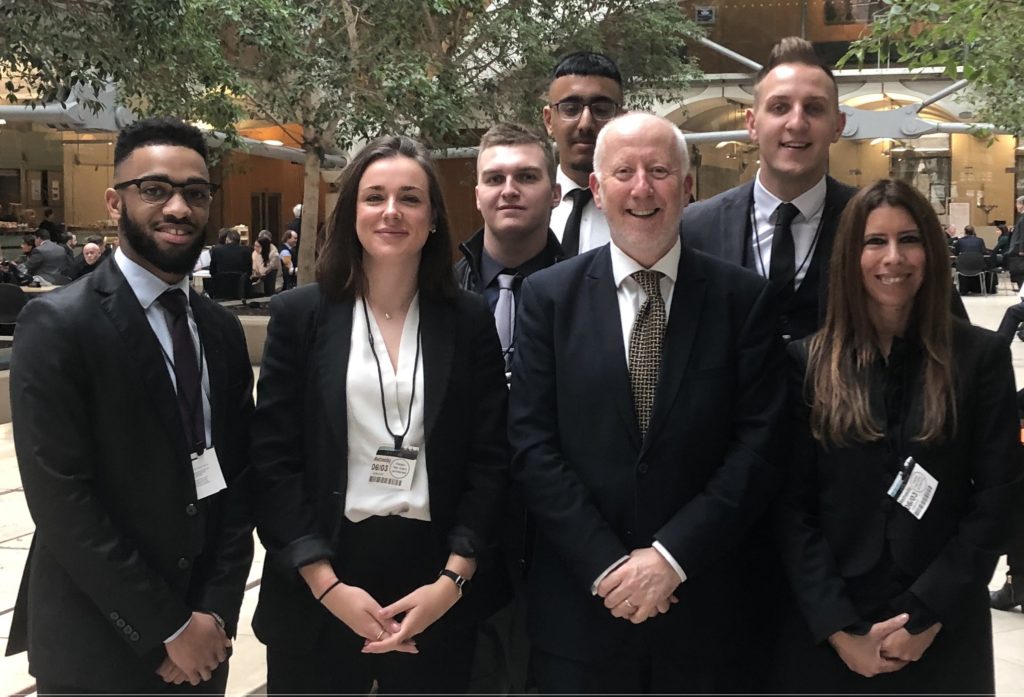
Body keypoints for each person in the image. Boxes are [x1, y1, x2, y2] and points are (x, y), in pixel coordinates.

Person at [509, 112, 785, 694]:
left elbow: (758, 448)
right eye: (624, 172)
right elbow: (533, 446)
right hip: (581, 614)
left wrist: (670, 557)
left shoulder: (743, 300)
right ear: (596, 189)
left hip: (706, 611)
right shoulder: (547, 299)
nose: (642, 188)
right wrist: (607, 566)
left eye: (659, 172)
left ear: (687, 187)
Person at [249, 135, 509, 695]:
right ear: (352, 213)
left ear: (433, 219)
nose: (392, 211)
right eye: (375, 197)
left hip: (434, 578)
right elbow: (273, 461)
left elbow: (490, 459)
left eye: (410, 198)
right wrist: (325, 584)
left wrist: (453, 579)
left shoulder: (468, 320)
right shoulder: (299, 315)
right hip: (322, 572)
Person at [4, 117, 255, 694]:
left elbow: (240, 480)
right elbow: (62, 500)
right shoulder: (58, 324)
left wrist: (214, 612)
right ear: (115, 202)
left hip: (204, 643)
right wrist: (167, 627)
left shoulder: (219, 329)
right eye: (155, 189)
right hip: (98, 642)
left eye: (195, 193)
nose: (178, 208)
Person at [774, 179, 1021, 694]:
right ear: (850, 256)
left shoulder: (980, 359)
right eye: (875, 241)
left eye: (909, 240)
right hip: (833, 629)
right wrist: (839, 627)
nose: (893, 258)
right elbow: (790, 508)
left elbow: (999, 499)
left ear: (931, 251)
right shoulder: (807, 364)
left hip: (943, 625)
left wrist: (927, 615)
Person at [454, 122, 563, 693]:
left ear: (556, 192)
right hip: (459, 529)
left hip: (556, 538)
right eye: (494, 178)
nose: (509, 190)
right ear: (477, 194)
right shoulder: (438, 291)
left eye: (526, 176)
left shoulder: (590, 291)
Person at [683, 37, 853, 342]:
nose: (796, 123)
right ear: (752, 124)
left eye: (814, 108)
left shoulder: (869, 221)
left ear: (837, 126)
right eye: (779, 107)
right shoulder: (695, 228)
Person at [543, 51, 624, 257]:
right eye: (571, 109)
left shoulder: (642, 209)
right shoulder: (528, 205)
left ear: (621, 119)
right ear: (549, 120)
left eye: (602, 109)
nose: (585, 124)